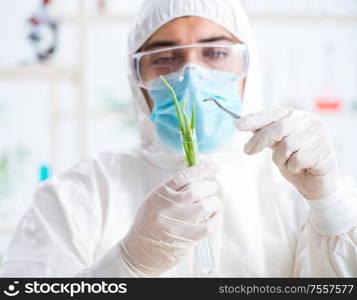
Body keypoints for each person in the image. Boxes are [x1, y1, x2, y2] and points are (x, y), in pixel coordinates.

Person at [1, 0, 356, 277]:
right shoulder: (75, 196)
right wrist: (127, 264)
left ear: (250, 67)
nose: (190, 75)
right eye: (165, 58)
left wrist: (330, 206)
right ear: (135, 77)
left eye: (215, 52)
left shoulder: (300, 188)